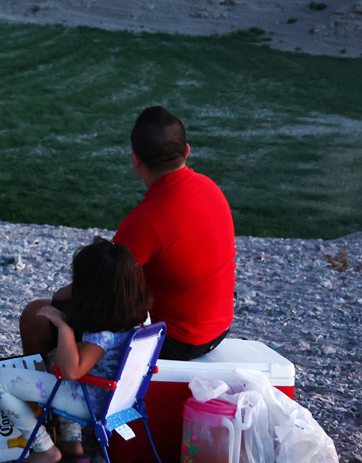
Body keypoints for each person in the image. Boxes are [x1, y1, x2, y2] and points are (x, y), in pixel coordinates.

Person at [19, 106, 235, 362]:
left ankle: (49, 392)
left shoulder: (146, 221)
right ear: (186, 150)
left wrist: (56, 300)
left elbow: (97, 287)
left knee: (35, 315)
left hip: (176, 341)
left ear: (135, 159)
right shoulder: (210, 189)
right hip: (218, 329)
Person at [0, 238, 153, 463]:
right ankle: (72, 439)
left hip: (91, 402)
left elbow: (71, 371)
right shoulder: (140, 319)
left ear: (89, 290)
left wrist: (63, 325)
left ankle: (44, 448)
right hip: (122, 400)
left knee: (0, 381)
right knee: (56, 354)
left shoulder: (102, 334)